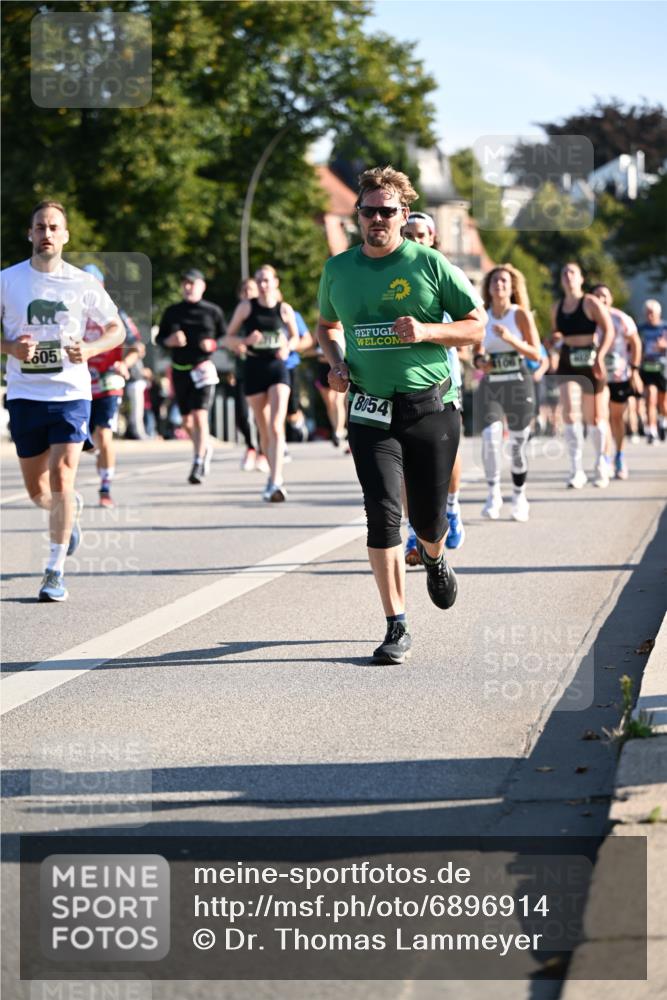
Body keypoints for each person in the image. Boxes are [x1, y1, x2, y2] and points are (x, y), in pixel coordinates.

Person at [317, 166, 485, 665]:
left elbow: (477, 328)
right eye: (368, 211)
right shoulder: (338, 270)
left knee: (428, 519)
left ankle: (434, 557)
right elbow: (327, 327)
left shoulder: (429, 263)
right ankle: (396, 625)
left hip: (429, 408)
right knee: (383, 513)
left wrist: (429, 332)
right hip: (369, 409)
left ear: (403, 214)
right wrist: (336, 362)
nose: (377, 220)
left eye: (387, 212)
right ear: (358, 216)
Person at [0, 201, 124, 601]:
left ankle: (54, 570)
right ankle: (68, 512)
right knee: (39, 490)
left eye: (54, 227)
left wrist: (89, 350)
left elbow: (116, 329)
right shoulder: (8, 281)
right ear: (30, 233)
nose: (47, 233)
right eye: (40, 227)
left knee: (63, 475)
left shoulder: (82, 284)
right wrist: (10, 349)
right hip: (24, 395)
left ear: (66, 235)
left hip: (71, 394)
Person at [401, 211, 475, 560]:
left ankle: (453, 506)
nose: (414, 240)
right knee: (405, 459)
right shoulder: (391, 273)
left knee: (446, 454)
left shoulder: (447, 272)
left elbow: (473, 324)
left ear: (433, 239)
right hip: (401, 380)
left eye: (420, 235)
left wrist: (433, 334)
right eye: (408, 234)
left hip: (443, 377)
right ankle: (415, 533)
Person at [225, 265, 300, 502]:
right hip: (254, 368)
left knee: (277, 425)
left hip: (277, 369)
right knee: (264, 427)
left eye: (266, 280)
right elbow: (227, 338)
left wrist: (288, 347)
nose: (262, 285)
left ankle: (277, 480)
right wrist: (246, 340)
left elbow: (296, 336)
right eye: (259, 281)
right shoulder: (246, 307)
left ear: (276, 282)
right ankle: (270, 478)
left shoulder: (284, 309)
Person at [474, 264, 541, 521]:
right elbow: (477, 354)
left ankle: (519, 495)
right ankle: (493, 494)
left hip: (518, 383)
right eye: (494, 281)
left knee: (517, 443)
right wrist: (480, 362)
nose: (499, 285)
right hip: (491, 384)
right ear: (488, 288)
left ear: (511, 287)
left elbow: (535, 353)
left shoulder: (519, 315)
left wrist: (511, 340)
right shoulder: (483, 315)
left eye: (504, 281)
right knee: (490, 438)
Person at [156, 268, 227, 484]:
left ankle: (198, 460)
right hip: (179, 369)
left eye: (192, 283)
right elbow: (159, 339)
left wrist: (213, 344)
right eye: (185, 283)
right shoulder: (172, 311)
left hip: (203, 368)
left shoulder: (213, 311)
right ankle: (204, 446)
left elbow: (225, 337)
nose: (188, 287)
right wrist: (170, 341)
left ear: (202, 286)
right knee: (186, 420)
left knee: (199, 415)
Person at [81, 263, 142, 506]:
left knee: (104, 435)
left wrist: (125, 363)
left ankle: (105, 489)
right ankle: (96, 451)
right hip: (81, 381)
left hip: (109, 379)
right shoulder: (71, 312)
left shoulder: (115, 313)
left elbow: (138, 346)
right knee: (84, 442)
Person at [552, 262, 614, 488]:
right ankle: (576, 469)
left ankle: (600, 463)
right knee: (569, 413)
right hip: (568, 360)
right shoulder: (556, 307)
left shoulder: (590, 302)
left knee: (595, 418)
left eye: (572, 272)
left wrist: (601, 355)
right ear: (561, 280)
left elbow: (609, 329)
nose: (568, 276)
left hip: (591, 361)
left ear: (581, 279)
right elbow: (556, 334)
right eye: (564, 272)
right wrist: (553, 340)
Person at [590, 284, 643, 479]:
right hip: (597, 376)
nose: (601, 299)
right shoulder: (588, 319)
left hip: (619, 374)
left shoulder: (620, 318)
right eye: (597, 296)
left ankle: (619, 456)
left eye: (604, 295)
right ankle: (604, 457)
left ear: (610, 298)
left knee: (616, 418)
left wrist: (635, 371)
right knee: (600, 417)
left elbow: (635, 343)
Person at [637, 298, 667, 443]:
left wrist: (664, 346)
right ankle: (652, 431)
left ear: (658, 313)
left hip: (662, 368)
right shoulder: (641, 329)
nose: (649, 316)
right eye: (647, 313)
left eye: (652, 313)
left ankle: (663, 422)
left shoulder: (665, 327)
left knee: (663, 403)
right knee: (650, 398)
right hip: (647, 367)